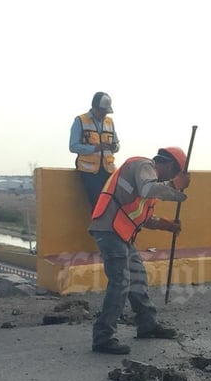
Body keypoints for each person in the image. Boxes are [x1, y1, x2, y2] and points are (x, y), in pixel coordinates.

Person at [88, 147, 191, 354]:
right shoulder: (144, 166)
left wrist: (166, 225)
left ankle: (147, 325)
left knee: (137, 278)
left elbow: (142, 217)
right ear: (170, 166)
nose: (172, 178)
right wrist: (173, 186)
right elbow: (148, 189)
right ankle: (103, 337)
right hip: (110, 229)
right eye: (174, 174)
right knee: (121, 282)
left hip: (121, 232)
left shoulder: (148, 183)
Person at [69, 91, 120, 206]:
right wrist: (94, 149)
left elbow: (117, 145)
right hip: (89, 172)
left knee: (113, 203)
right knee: (98, 203)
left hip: (108, 170)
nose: (104, 115)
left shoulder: (109, 122)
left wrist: (114, 147)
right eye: (102, 112)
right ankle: (98, 224)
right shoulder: (80, 121)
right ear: (94, 107)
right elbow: (73, 146)